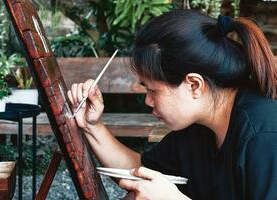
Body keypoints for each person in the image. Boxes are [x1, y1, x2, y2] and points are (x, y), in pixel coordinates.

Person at [67, 9, 277, 200]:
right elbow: (142, 171)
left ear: (194, 85)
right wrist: (92, 126)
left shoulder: (263, 136)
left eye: (153, 90)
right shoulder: (197, 128)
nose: (148, 101)